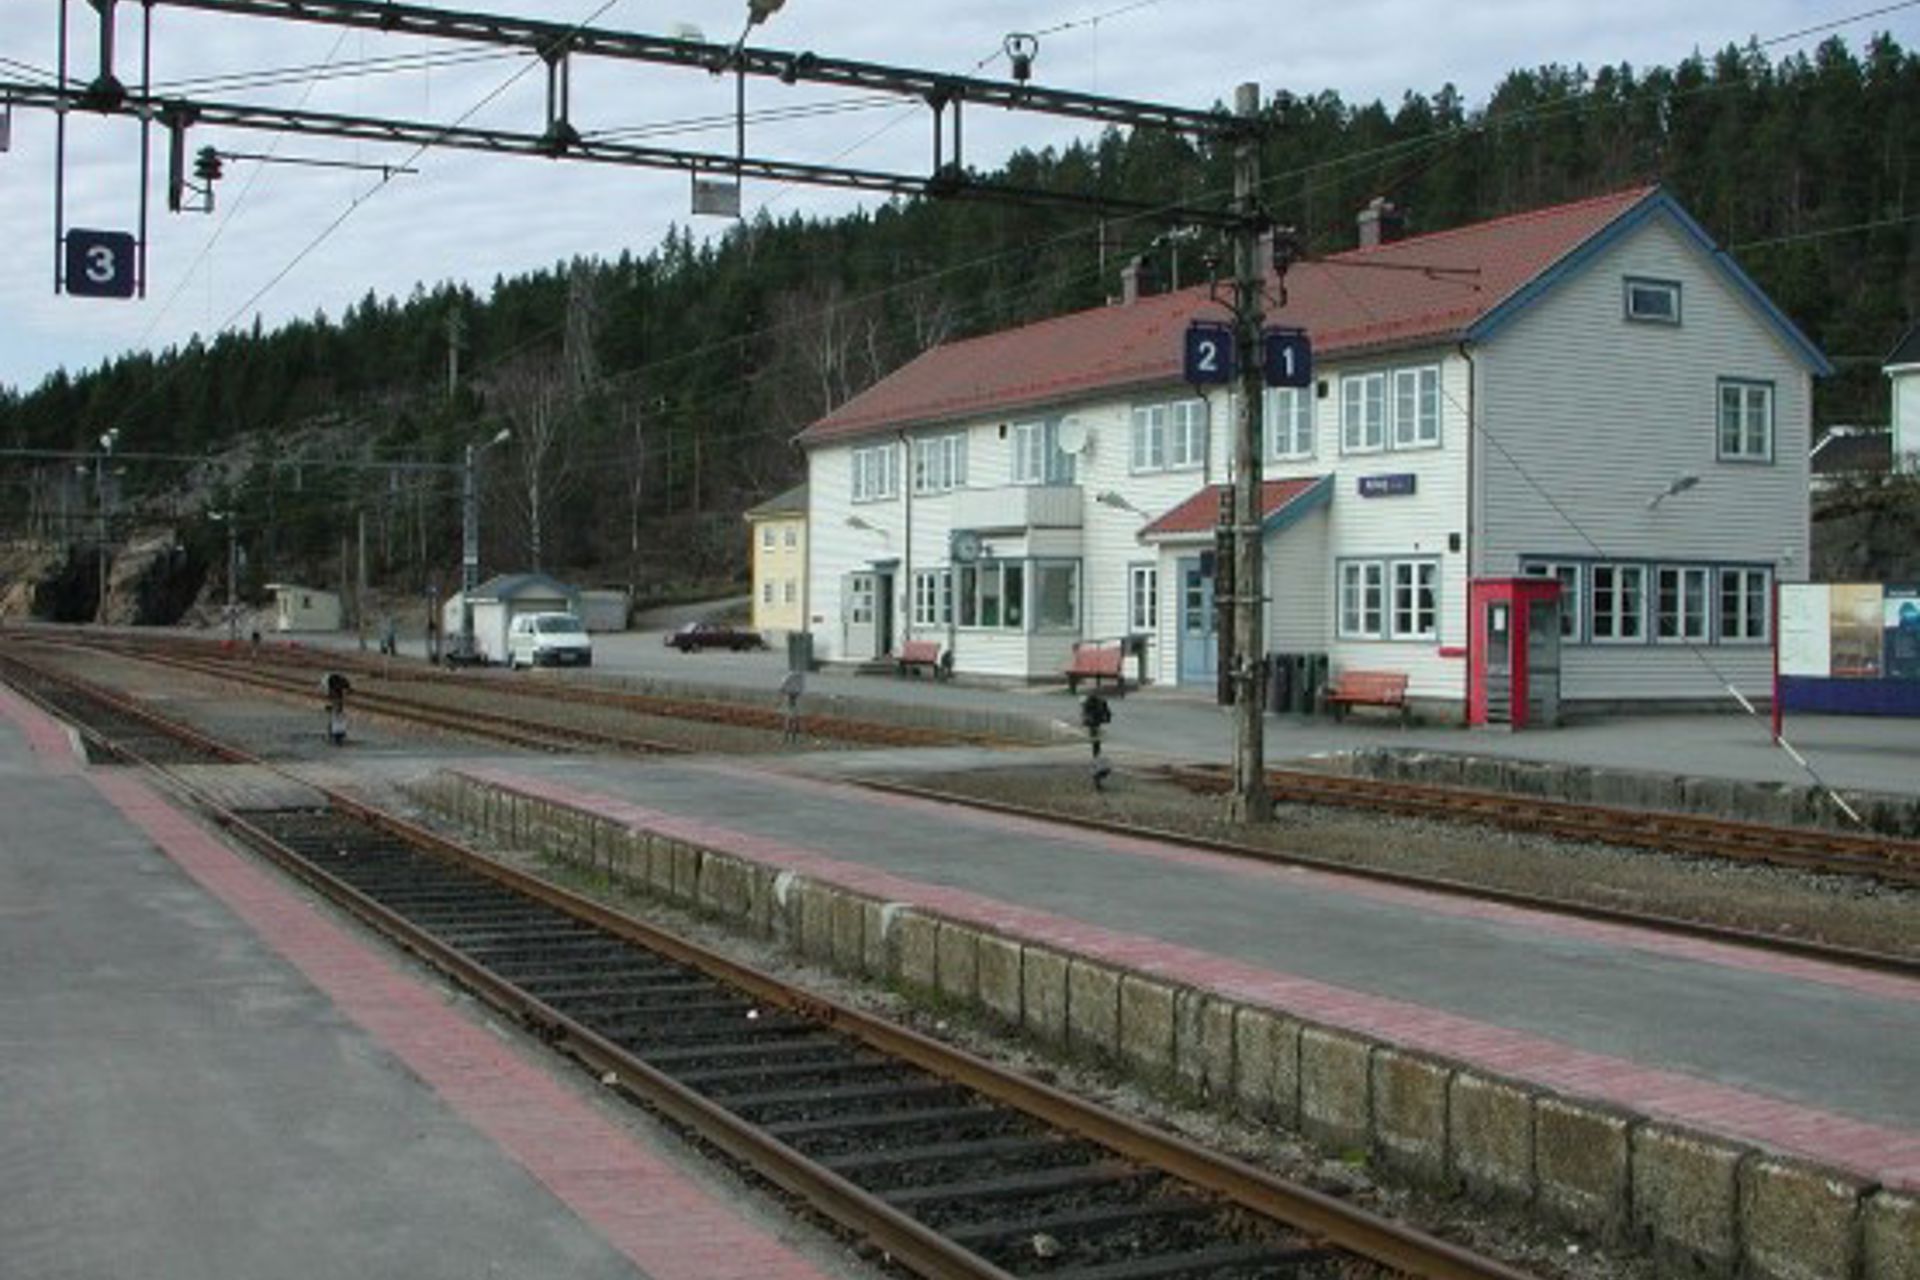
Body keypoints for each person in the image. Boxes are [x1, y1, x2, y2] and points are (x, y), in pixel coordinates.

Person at [321, 671, 352, 745]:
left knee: (336, 715)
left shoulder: (338, 686)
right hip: (333, 685)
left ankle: (335, 734)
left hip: (335, 687)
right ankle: (336, 733)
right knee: (337, 715)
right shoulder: (335, 684)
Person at [779, 668, 805, 745]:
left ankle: (787, 738)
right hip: (795, 695)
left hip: (791, 695)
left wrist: (783, 690)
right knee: (794, 717)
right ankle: (791, 739)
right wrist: (799, 692)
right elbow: (802, 686)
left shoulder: (792, 674)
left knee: (790, 717)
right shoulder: (801, 675)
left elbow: (784, 682)